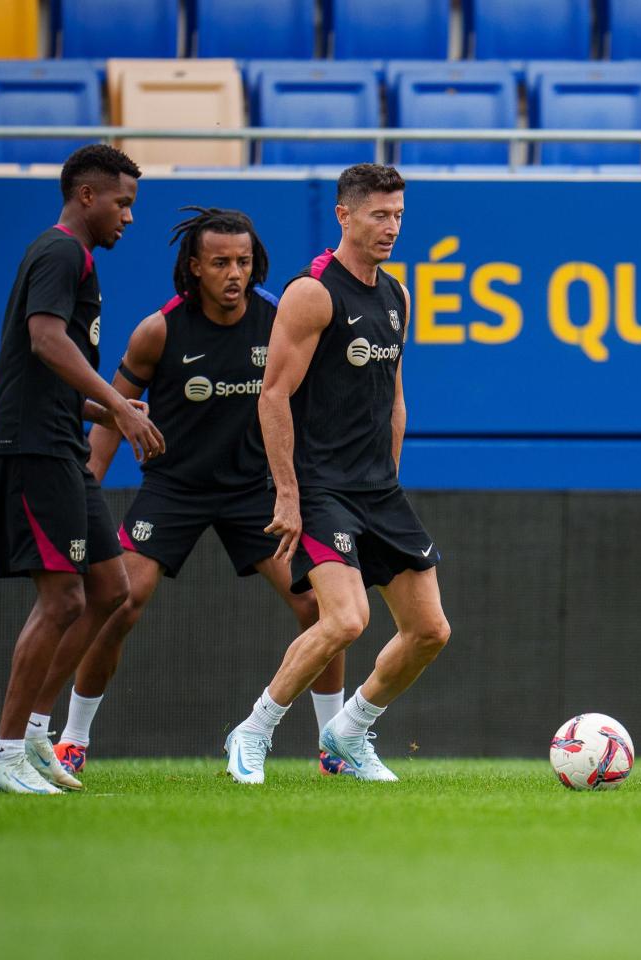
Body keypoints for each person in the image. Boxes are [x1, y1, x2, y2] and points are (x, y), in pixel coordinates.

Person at [33, 207, 352, 778]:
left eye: (244, 261)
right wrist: (86, 488)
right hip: (174, 488)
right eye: (221, 262)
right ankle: (73, 740)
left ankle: (333, 747)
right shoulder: (159, 331)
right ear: (194, 267)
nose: (234, 273)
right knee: (121, 604)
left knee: (317, 605)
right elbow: (113, 412)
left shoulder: (279, 319)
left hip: (255, 491)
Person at [224, 163, 451, 785]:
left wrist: (390, 478)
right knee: (347, 620)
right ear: (344, 215)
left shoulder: (398, 295)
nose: (392, 227)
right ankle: (254, 730)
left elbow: (395, 398)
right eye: (380, 215)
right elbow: (272, 395)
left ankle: (348, 732)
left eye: (399, 215)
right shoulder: (312, 293)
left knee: (430, 630)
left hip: (379, 489)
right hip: (322, 487)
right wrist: (290, 496)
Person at [0, 144, 163, 794]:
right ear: (87, 196)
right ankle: (2, 753)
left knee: (112, 590)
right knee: (63, 598)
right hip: (32, 449)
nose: (129, 217)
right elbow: (45, 340)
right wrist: (116, 403)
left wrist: (108, 411)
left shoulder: (77, 260)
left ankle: (33, 734)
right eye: (123, 203)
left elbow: (51, 369)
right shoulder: (60, 252)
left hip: (61, 443)